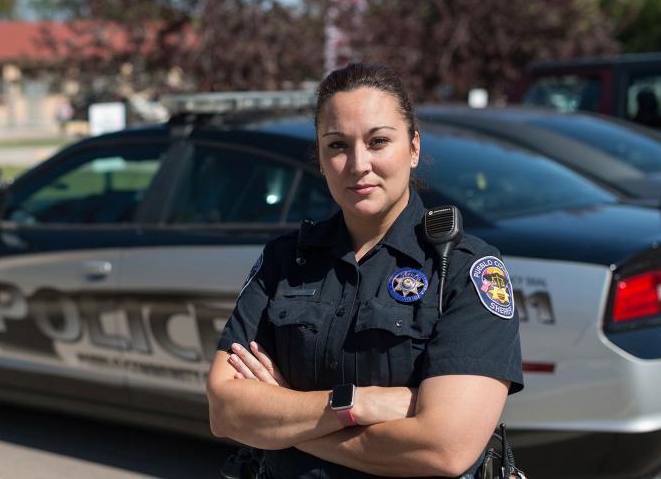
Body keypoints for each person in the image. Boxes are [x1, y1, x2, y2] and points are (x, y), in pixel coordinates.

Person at [206, 63, 524, 478]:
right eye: (337, 145)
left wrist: (283, 421)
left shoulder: (462, 269)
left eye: (378, 141)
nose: (358, 164)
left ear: (413, 148)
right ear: (319, 158)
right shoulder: (285, 261)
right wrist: (359, 403)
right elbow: (226, 411)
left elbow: (445, 449)